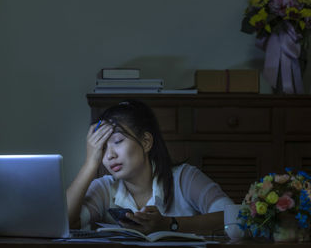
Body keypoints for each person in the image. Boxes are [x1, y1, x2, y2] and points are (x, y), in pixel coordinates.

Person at [67, 99, 234, 235]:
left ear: (146, 142)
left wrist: (170, 224)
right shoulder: (104, 188)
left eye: (117, 142)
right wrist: (90, 164)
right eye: (102, 148)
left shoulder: (184, 178)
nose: (110, 155)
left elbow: (236, 218)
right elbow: (66, 222)